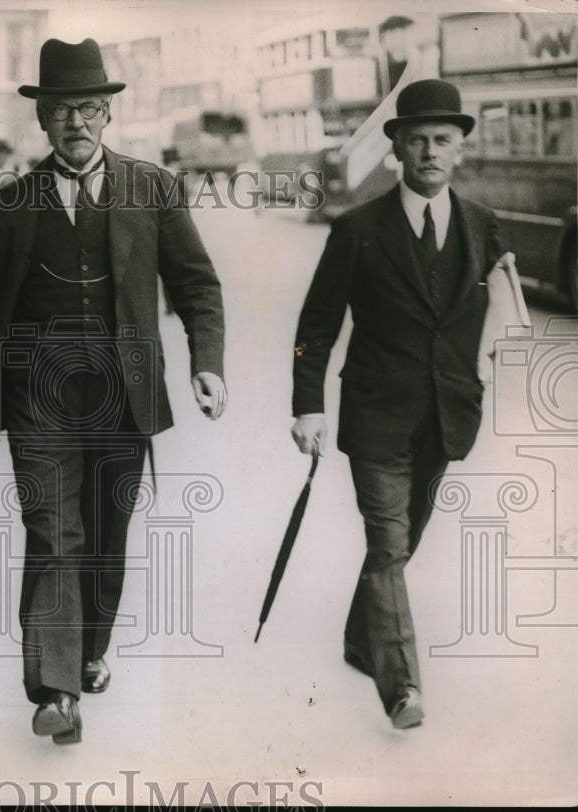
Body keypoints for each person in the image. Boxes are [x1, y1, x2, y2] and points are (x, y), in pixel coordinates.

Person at [0, 37, 227, 744]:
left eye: (88, 108)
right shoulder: (12, 202)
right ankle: (55, 689)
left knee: (105, 533)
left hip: (122, 392)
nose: (75, 122)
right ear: (42, 118)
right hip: (37, 394)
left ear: (108, 113)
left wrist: (206, 362)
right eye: (60, 110)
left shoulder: (152, 189)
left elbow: (197, 284)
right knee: (52, 534)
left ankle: (89, 648)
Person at [290, 79, 504, 730]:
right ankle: (403, 688)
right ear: (397, 149)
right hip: (376, 416)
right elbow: (316, 324)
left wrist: (486, 368)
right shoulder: (358, 229)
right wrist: (308, 406)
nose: (431, 152)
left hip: (446, 416)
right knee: (387, 544)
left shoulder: (482, 226)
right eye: (418, 141)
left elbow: (498, 313)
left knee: (402, 542)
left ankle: (363, 640)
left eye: (443, 140)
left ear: (460, 149)